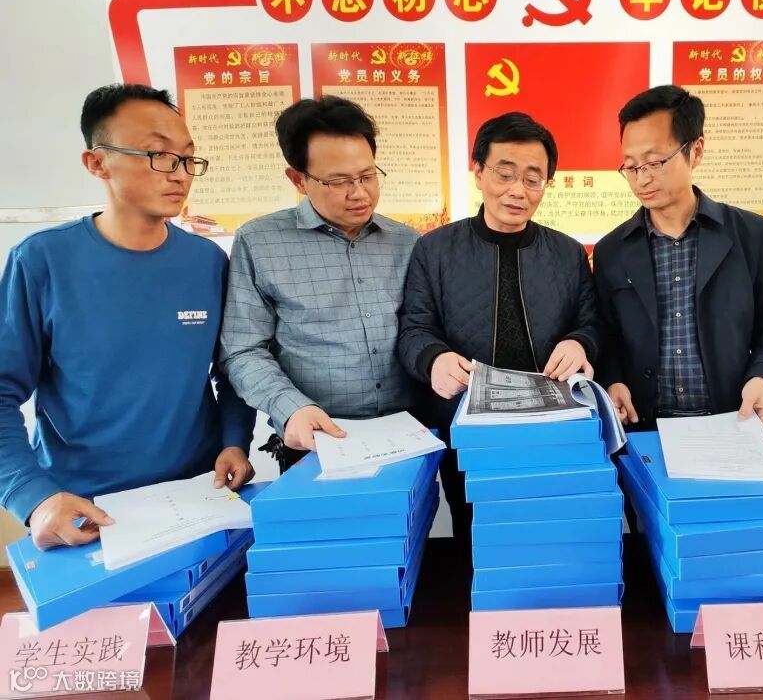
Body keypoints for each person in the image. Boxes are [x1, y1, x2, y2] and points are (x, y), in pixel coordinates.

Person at [0, 83, 256, 550]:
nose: (180, 174)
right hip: (84, 510)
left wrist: (235, 440)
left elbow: (233, 368)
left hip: (199, 494)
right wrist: (33, 498)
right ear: (97, 162)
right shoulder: (42, 261)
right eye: (159, 155)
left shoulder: (207, 262)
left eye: (187, 158)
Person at [397, 112, 601, 534]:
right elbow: (414, 329)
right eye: (504, 174)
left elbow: (592, 322)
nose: (517, 191)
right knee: (476, 532)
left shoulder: (567, 253)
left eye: (533, 179)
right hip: (468, 426)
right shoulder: (435, 250)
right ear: (478, 172)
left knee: (551, 530)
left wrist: (581, 343)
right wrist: (433, 359)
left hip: (552, 426)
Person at [220, 96, 420, 470]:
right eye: (338, 181)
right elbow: (242, 349)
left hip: (409, 434)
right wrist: (291, 408)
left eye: (367, 176)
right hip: (313, 441)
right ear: (298, 179)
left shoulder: (407, 242)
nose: (359, 192)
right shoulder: (259, 242)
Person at [593, 85, 763, 430]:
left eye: (655, 162)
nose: (642, 178)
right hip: (645, 430)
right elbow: (607, 335)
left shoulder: (752, 235)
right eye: (631, 166)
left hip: (735, 423)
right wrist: (612, 380)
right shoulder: (611, 250)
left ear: (696, 150)